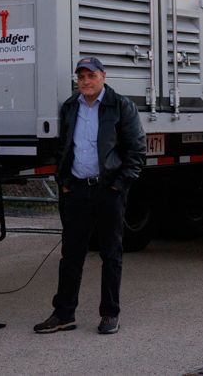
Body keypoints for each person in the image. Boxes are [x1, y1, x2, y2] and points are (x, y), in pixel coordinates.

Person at [34, 57, 146, 336]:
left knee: (111, 254)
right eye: (81, 76)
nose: (85, 81)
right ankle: (63, 314)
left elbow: (137, 152)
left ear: (103, 76)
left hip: (108, 190)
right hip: (77, 190)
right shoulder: (71, 107)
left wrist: (118, 186)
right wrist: (65, 182)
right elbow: (64, 148)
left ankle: (110, 313)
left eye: (90, 75)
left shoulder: (121, 106)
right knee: (70, 254)